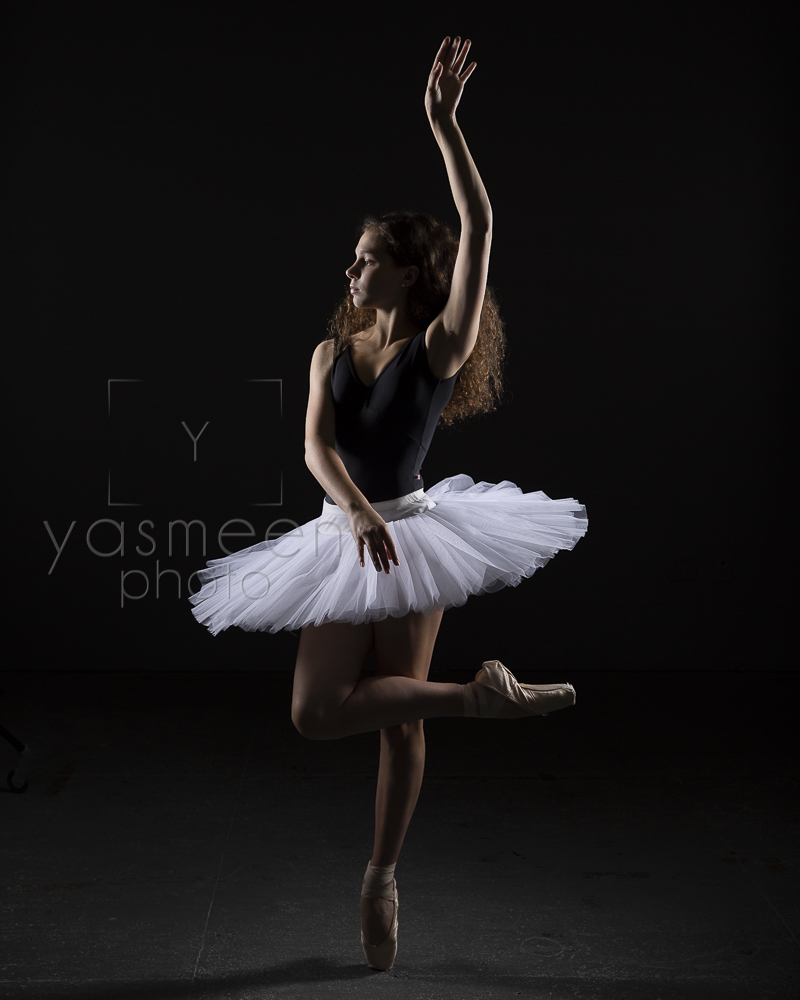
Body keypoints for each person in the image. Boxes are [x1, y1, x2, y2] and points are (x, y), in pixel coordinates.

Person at [189, 36, 588, 972]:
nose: (351, 271)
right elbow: (315, 449)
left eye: (368, 259)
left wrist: (445, 128)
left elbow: (479, 228)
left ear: (410, 272)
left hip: (412, 535)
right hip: (346, 533)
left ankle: (380, 878)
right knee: (317, 711)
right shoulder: (331, 353)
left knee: (397, 721)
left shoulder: (439, 349)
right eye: (354, 258)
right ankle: (480, 699)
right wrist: (357, 512)